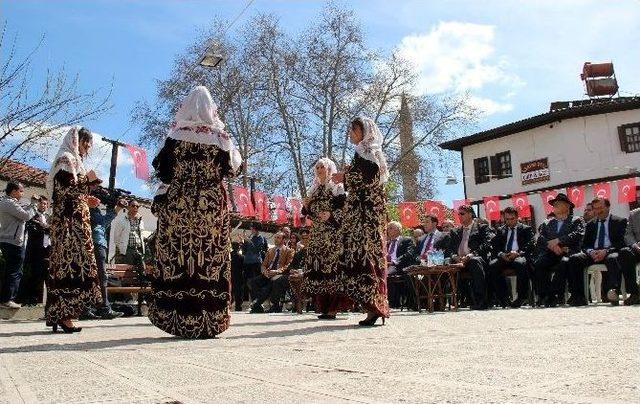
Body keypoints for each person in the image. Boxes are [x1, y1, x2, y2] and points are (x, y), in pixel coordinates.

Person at [149, 85, 242, 339]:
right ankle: (210, 319)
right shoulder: (221, 138)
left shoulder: (175, 136)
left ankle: (176, 317)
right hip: (210, 208)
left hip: (179, 207)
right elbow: (235, 168)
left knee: (180, 256)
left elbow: (163, 170)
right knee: (209, 257)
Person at [331, 117, 390, 326]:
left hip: (367, 216)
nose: (351, 134)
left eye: (354, 130)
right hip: (358, 214)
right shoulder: (361, 153)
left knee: (367, 257)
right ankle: (369, 306)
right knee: (356, 257)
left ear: (364, 131)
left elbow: (371, 178)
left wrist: (345, 178)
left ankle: (375, 307)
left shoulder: (371, 152)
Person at [44, 126, 102, 332]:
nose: (87, 146)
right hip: (68, 224)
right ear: (77, 140)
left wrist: (87, 198)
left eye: (89, 143)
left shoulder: (75, 162)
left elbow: (75, 192)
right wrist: (90, 183)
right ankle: (63, 315)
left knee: (77, 265)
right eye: (86, 142)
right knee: (67, 265)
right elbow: (65, 191)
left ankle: (67, 314)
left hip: (77, 221)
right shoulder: (66, 159)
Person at [301, 157, 350, 319]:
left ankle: (333, 308)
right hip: (317, 235)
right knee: (319, 269)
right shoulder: (313, 189)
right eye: (317, 167)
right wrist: (307, 206)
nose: (319, 170)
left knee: (332, 269)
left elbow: (344, 209)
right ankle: (323, 307)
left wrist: (330, 215)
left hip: (332, 235)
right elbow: (307, 213)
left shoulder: (337, 187)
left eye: (322, 167)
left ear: (329, 169)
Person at [568, 197, 628, 306]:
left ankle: (613, 291)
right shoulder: (590, 224)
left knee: (613, 258)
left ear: (608, 207)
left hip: (610, 251)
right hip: (593, 254)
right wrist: (591, 252)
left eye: (601, 207)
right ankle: (578, 296)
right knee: (574, 259)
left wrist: (606, 251)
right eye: (595, 208)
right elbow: (584, 244)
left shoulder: (619, 221)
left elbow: (621, 242)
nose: (598, 211)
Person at [533, 193, 585, 307]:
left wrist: (558, 241)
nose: (554, 206)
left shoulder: (576, 220)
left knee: (564, 262)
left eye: (558, 204)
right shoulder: (547, 223)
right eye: (554, 204)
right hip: (552, 252)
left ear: (567, 206)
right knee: (539, 263)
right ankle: (543, 295)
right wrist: (552, 246)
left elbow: (577, 234)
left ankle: (554, 295)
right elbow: (541, 238)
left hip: (569, 251)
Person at [446, 205, 494, 310]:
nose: (459, 216)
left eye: (462, 214)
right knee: (444, 263)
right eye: (458, 214)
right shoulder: (455, 231)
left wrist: (471, 255)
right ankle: (443, 301)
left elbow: (487, 244)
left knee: (474, 261)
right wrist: (455, 257)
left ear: (470, 214)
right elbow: (449, 249)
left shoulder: (482, 228)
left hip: (475, 259)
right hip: (458, 261)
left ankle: (480, 300)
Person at [487, 207, 535, 308]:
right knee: (492, 266)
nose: (509, 221)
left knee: (520, 264)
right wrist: (501, 254)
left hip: (519, 255)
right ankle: (503, 298)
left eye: (512, 219)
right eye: (507, 219)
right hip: (505, 256)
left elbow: (531, 244)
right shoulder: (501, 230)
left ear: (517, 217)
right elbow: (496, 246)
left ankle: (522, 297)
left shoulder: (526, 229)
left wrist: (517, 253)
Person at [87, 195, 126, 319]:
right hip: (95, 243)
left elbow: (103, 224)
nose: (98, 199)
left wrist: (117, 209)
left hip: (98, 243)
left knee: (98, 275)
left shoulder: (94, 209)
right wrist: (116, 209)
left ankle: (97, 307)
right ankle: (102, 308)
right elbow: (102, 222)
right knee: (99, 275)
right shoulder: (89, 208)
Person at [0, 181, 36, 308]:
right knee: (15, 271)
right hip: (13, 242)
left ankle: (6, 298)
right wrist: (33, 204)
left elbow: (21, 213)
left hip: (9, 240)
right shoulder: (9, 203)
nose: (22, 193)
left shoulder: (8, 203)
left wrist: (29, 206)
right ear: (14, 191)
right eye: (21, 191)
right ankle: (8, 299)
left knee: (11, 270)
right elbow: (26, 216)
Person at [248, 232, 294, 313]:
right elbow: (263, 265)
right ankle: (258, 304)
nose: (276, 239)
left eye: (278, 238)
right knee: (253, 282)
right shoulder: (270, 251)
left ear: (284, 240)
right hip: (268, 273)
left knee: (271, 283)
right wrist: (265, 272)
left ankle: (258, 304)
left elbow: (288, 265)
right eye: (275, 237)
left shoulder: (289, 251)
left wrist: (276, 271)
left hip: (279, 274)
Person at [21, 195, 51, 305]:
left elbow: (52, 229)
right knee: (34, 275)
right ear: (37, 204)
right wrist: (45, 227)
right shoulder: (32, 215)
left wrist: (45, 226)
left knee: (45, 275)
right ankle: (30, 299)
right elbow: (32, 230)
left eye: (45, 204)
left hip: (47, 250)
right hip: (35, 250)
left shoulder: (48, 217)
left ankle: (40, 300)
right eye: (41, 203)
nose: (43, 205)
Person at [385, 221, 415, 309]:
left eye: (390, 228)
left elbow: (409, 254)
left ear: (398, 230)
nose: (387, 230)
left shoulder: (406, 240)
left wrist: (394, 262)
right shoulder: (387, 243)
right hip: (385, 264)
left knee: (386, 275)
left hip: (398, 266)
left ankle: (392, 302)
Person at [109, 200, 145, 266]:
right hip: (128, 250)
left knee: (141, 272)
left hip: (139, 250)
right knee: (128, 273)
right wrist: (121, 248)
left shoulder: (141, 221)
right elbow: (116, 237)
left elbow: (142, 236)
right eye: (133, 206)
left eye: (137, 206)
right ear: (128, 207)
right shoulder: (122, 220)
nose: (135, 208)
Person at [618, 207, 640, 305]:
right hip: (638, 248)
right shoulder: (633, 214)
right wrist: (635, 245)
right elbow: (628, 235)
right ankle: (634, 293)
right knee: (625, 252)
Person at [241, 222, 268, 301]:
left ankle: (257, 299)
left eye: (252, 228)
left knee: (255, 281)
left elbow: (257, 250)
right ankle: (251, 299)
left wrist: (248, 241)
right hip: (247, 262)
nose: (251, 229)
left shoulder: (261, 238)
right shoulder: (251, 238)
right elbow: (245, 251)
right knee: (247, 282)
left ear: (256, 229)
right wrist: (242, 242)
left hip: (255, 262)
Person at [230, 239, 244, 311]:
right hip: (238, 276)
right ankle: (238, 306)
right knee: (238, 292)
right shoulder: (241, 257)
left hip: (230, 275)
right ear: (238, 247)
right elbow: (243, 267)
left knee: (230, 290)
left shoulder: (229, 255)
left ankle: (229, 305)